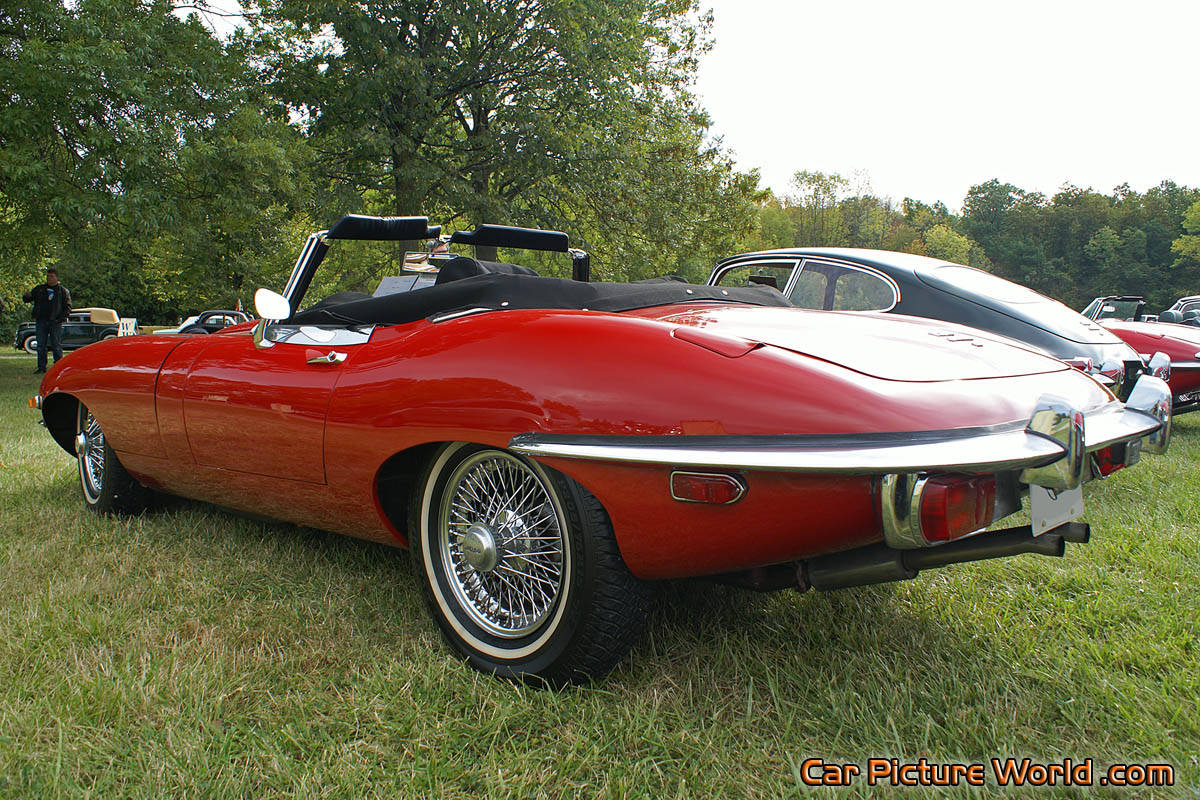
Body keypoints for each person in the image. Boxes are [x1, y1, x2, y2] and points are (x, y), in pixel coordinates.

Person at [22, 268, 72, 373]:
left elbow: (67, 307)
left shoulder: (62, 291)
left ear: (57, 278)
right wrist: (26, 296)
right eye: (48, 276)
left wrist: (60, 319)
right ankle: (41, 367)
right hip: (41, 320)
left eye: (52, 276)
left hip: (55, 321)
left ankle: (58, 367)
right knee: (41, 345)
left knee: (56, 345)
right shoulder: (40, 289)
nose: (49, 278)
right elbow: (28, 299)